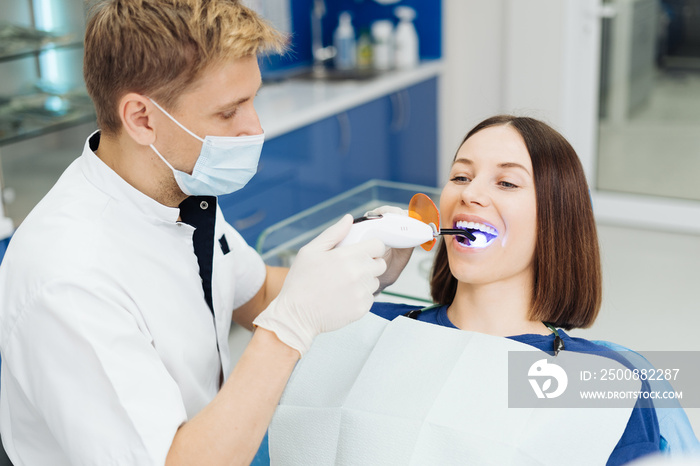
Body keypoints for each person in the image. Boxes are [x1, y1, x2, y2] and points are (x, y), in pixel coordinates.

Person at [0, 1, 411, 465]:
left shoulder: (176, 193)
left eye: (253, 99)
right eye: (228, 112)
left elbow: (254, 295)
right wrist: (289, 329)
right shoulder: (68, 279)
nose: (254, 128)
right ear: (141, 118)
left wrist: (361, 265)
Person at [269, 115, 663, 465]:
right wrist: (348, 283)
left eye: (507, 182)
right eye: (460, 176)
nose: (469, 193)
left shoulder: (602, 379)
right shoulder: (359, 323)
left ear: (556, 219)